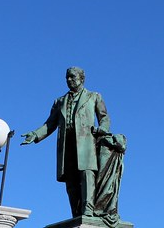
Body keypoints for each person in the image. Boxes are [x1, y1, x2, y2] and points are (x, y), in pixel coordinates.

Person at [21, 67, 110, 218]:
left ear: (82, 79)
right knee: (70, 180)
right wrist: (35, 135)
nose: (69, 80)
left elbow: (104, 117)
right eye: (67, 77)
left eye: (72, 77)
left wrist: (102, 128)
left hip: (86, 144)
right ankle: (76, 213)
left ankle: (87, 210)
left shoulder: (93, 96)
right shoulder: (60, 101)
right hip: (66, 144)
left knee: (87, 175)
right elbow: (50, 124)